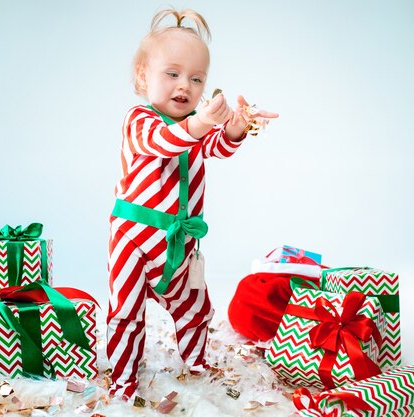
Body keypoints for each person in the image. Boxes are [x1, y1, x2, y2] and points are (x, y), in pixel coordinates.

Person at [106, 8, 278, 399]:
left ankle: (197, 365)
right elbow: (165, 142)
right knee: (126, 313)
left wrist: (235, 126)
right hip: (134, 240)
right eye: (173, 73)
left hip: (179, 244)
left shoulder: (193, 128)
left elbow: (216, 146)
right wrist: (201, 123)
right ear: (142, 76)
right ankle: (122, 380)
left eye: (197, 78)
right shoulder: (139, 121)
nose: (185, 85)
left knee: (195, 308)